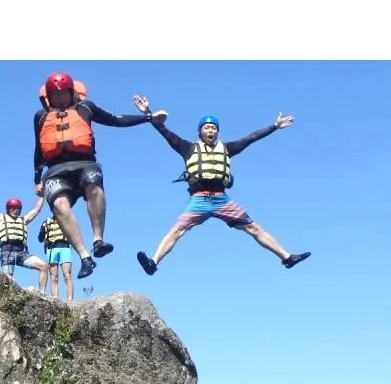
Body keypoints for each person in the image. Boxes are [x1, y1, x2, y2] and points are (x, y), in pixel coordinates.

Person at [133, 97, 311, 275]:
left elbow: (251, 138)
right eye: (207, 127)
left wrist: (274, 126)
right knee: (177, 229)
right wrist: (149, 113)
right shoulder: (188, 148)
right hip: (199, 199)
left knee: (253, 227)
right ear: (199, 132)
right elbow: (164, 131)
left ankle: (287, 257)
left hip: (222, 199)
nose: (211, 130)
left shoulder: (227, 149)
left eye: (214, 128)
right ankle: (153, 262)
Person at [33, 72, 167, 279]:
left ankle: (98, 240)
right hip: (55, 169)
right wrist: (36, 179)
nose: (60, 99)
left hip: (84, 162)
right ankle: (85, 257)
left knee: (94, 186)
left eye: (63, 94)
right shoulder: (40, 117)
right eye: (55, 95)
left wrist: (148, 117)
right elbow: (38, 148)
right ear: (49, 97)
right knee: (59, 204)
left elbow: (116, 120)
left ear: (71, 93)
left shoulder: (86, 108)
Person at [0, 171, 48, 290]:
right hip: (6, 252)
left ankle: (42, 294)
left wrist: (42, 195)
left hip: (21, 252)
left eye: (17, 208)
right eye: (12, 208)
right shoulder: (0, 218)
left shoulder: (24, 220)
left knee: (43, 266)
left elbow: (37, 209)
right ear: (8, 209)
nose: (15, 210)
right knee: (8, 281)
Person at [38, 214, 74, 300]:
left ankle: (70, 299)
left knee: (67, 275)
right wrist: (43, 230)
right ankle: (55, 299)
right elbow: (40, 238)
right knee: (54, 276)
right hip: (52, 249)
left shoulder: (67, 220)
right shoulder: (46, 223)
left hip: (65, 247)